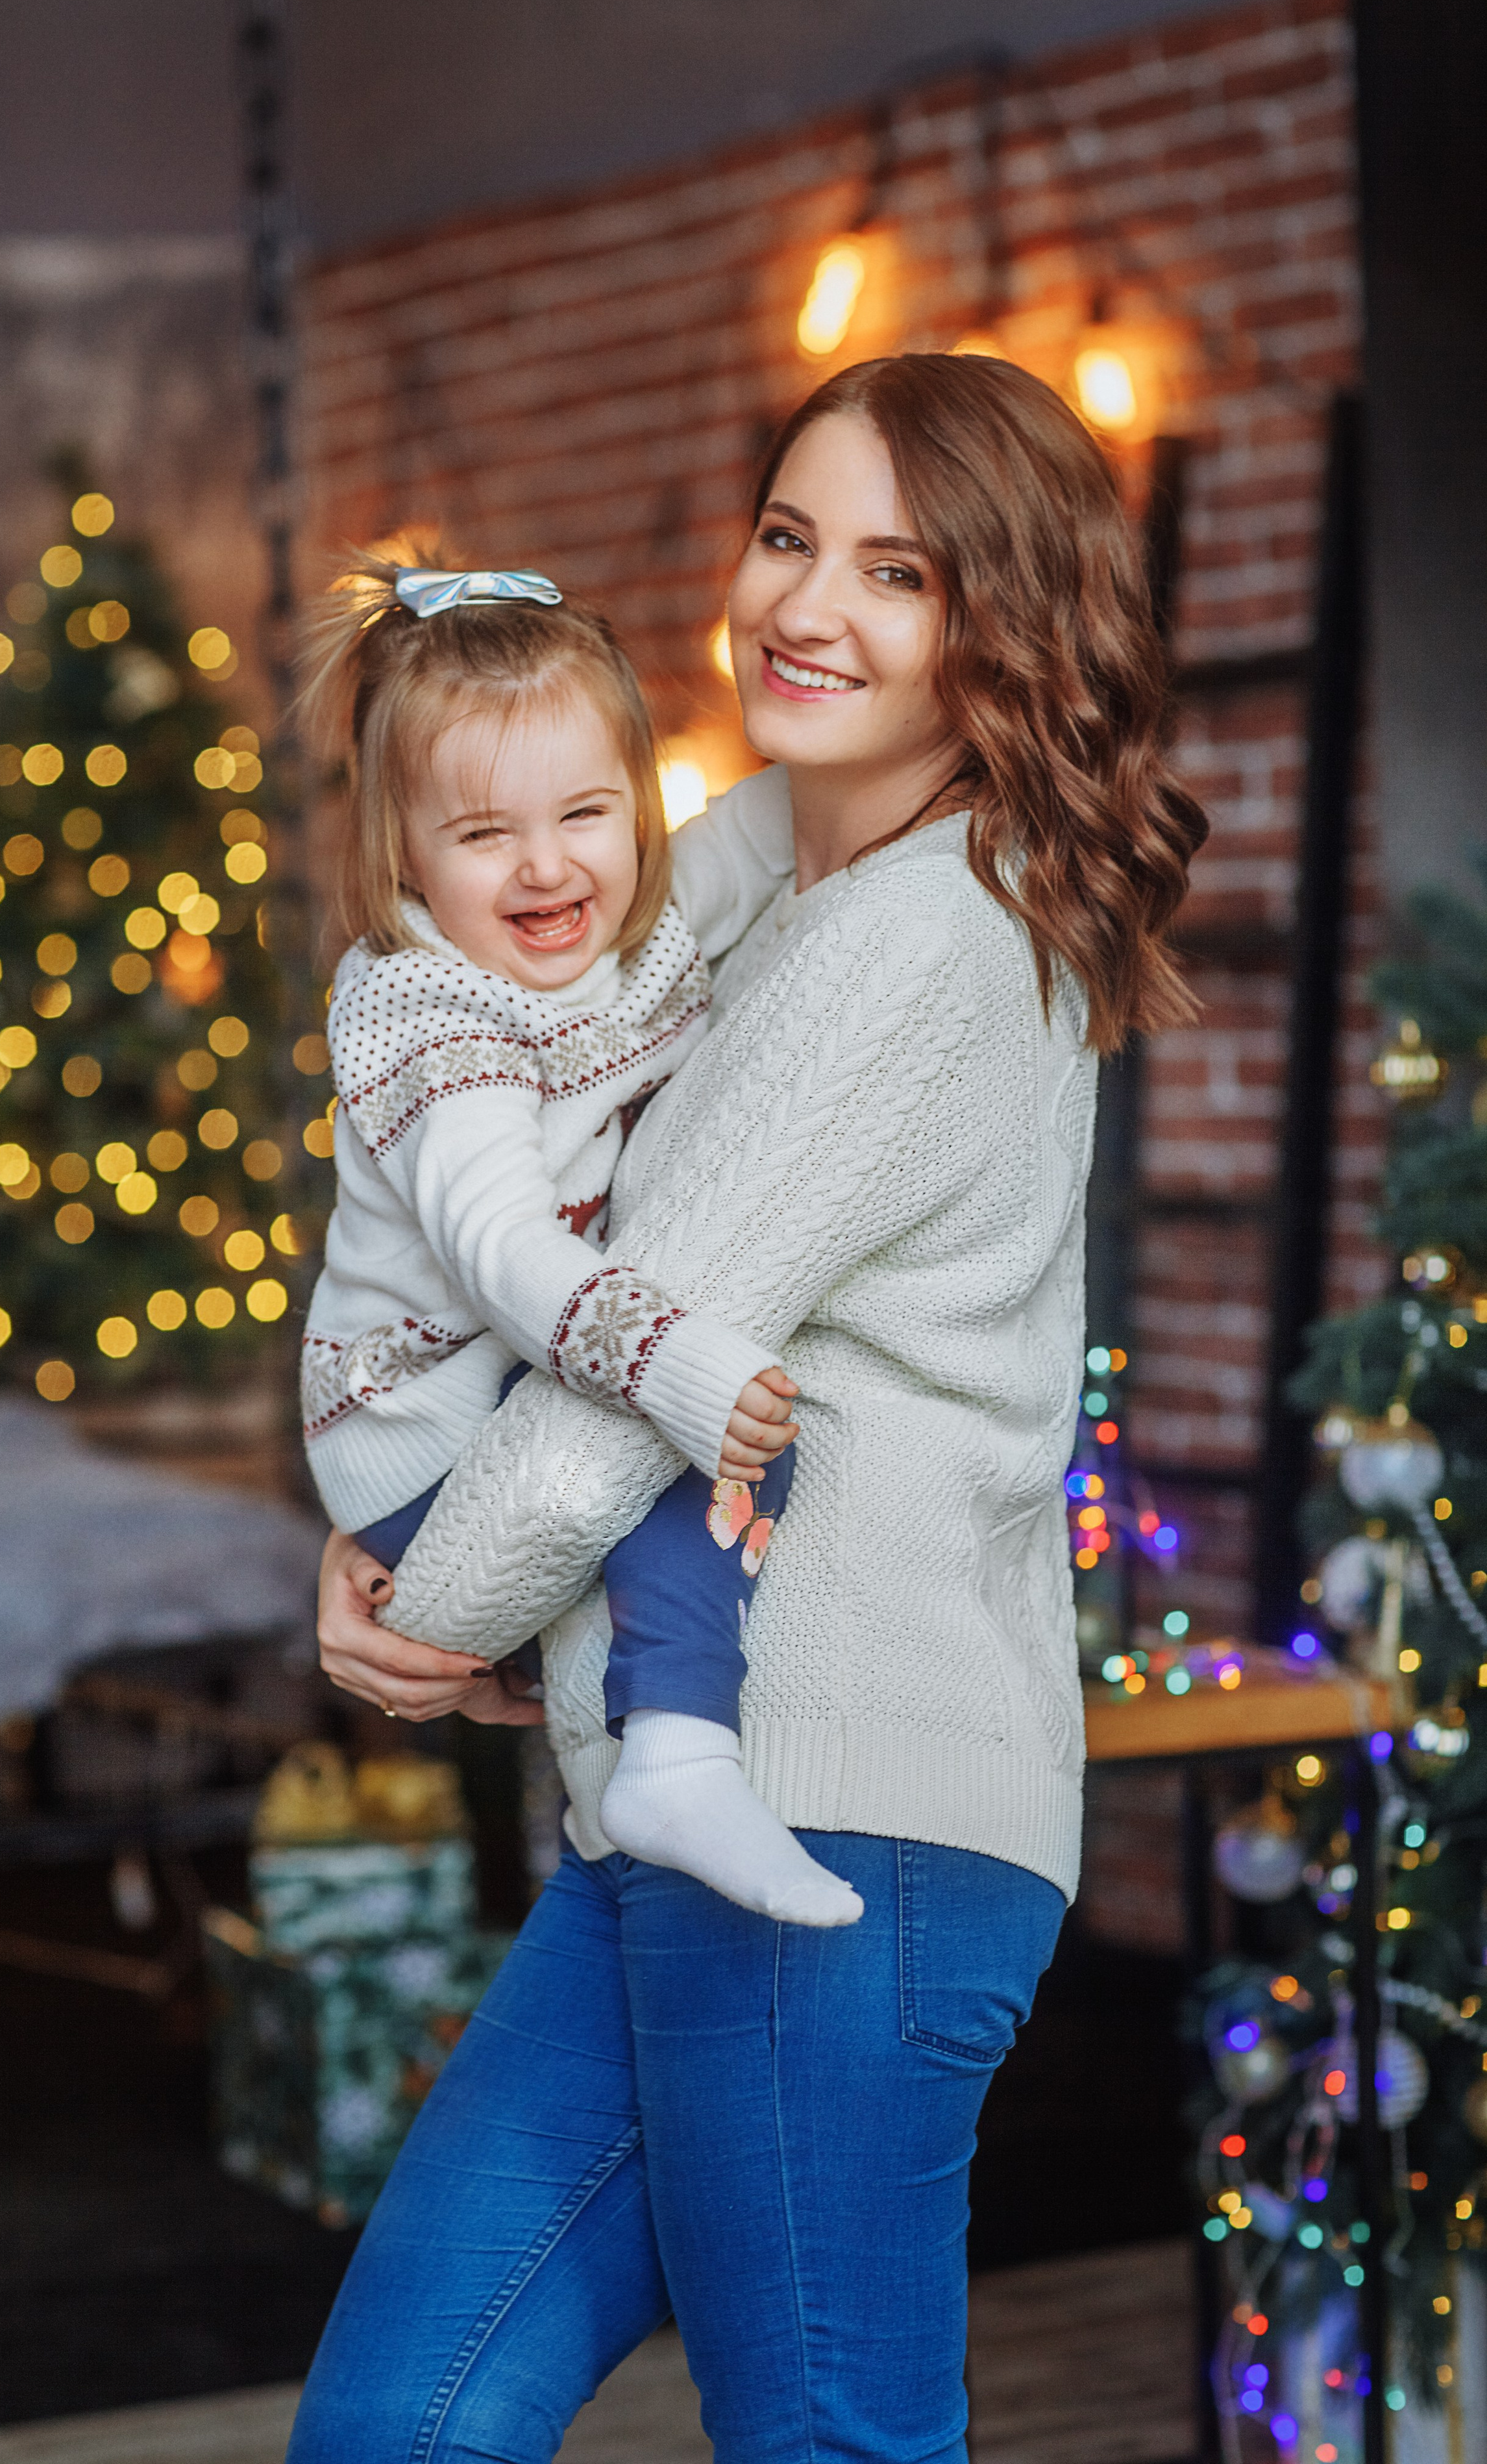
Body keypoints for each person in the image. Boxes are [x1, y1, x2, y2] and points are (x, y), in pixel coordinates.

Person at [289, 354, 1208, 2464]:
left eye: (897, 571)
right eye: (791, 537)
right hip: (674, 1808)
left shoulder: (925, 934)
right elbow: (563, 930)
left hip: (846, 1808)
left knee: (825, 2446)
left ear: (1001, 625)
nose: (805, 604)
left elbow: (620, 1388)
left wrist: (413, 1611)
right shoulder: (793, 868)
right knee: (397, 2429)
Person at [298, 555, 861, 1925]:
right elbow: (502, 1250)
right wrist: (678, 1364)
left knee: (687, 1462)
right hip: (415, 1414)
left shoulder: (630, 934)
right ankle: (677, 1761)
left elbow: (771, 818)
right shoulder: (435, 1017)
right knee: (699, 1452)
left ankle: (651, 1756)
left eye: (587, 814)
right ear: (405, 855)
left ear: (634, 809)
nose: (548, 865)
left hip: (517, 1374)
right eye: (484, 834)